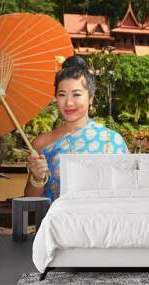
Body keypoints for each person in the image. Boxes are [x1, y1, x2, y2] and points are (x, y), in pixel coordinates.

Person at [24, 56, 129, 202]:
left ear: (91, 97)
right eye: (62, 95)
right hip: (56, 223)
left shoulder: (111, 140)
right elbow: (29, 200)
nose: (68, 102)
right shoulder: (42, 143)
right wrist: (37, 178)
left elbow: (128, 192)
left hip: (104, 223)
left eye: (76, 94)